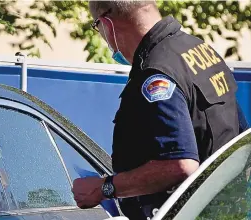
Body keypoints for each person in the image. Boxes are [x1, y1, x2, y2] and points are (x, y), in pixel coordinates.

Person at [72, 1, 250, 220]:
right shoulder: (199, 50)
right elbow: (241, 137)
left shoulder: (155, 73)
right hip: (227, 210)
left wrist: (104, 188)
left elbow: (180, 165)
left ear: (107, 24)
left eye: (97, 26)